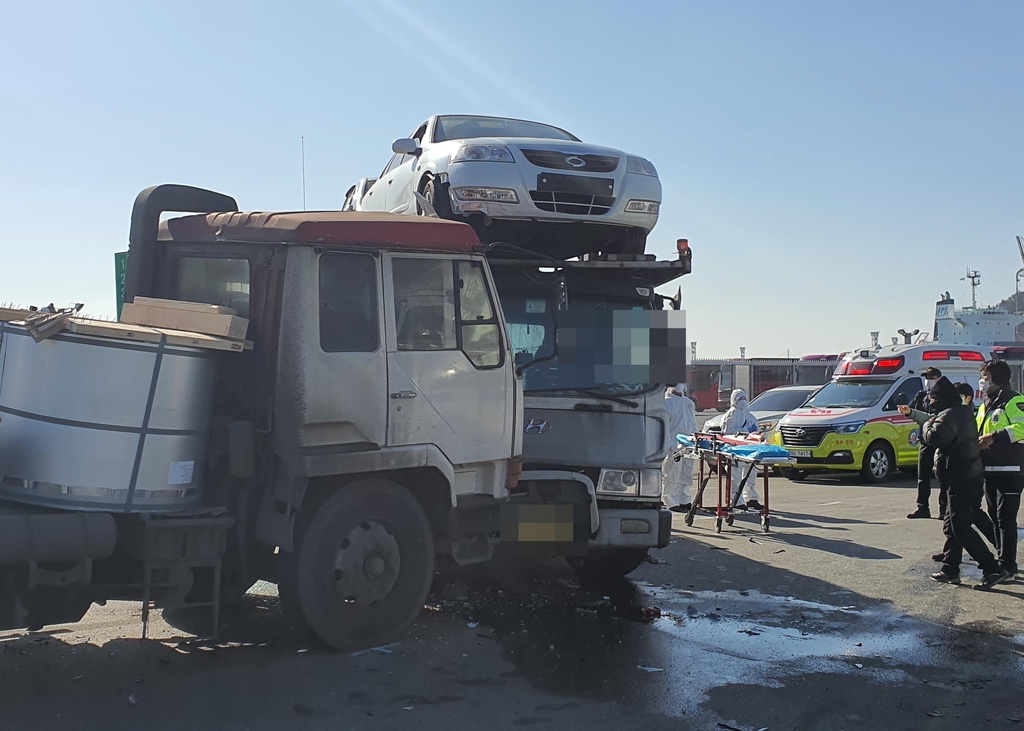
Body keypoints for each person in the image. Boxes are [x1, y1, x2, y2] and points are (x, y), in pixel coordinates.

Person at [917, 377, 1009, 589]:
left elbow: (935, 437)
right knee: (952, 525)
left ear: (940, 399)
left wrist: (926, 423)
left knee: (961, 528)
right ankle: (951, 568)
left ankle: (991, 568)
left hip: (961, 477)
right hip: (964, 475)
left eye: (933, 399)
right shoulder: (959, 412)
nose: (930, 403)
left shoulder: (949, 415)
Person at [976, 359, 1024, 577]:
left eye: (985, 377)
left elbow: (1022, 426)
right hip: (989, 469)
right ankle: (1002, 557)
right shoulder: (986, 403)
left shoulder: (1013, 400)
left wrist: (995, 437)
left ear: (995, 378)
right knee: (994, 516)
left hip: (1011, 470)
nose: (982, 381)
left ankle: (1008, 565)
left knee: (1006, 518)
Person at [907, 367, 944, 520]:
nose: (928, 380)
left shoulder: (945, 396)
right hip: (925, 439)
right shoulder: (922, 396)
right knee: (923, 476)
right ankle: (922, 508)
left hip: (941, 440)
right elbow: (915, 413)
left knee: (943, 477)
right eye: (926, 377)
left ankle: (944, 509)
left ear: (939, 378)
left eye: (932, 377)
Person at [721, 388, 764, 511]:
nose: (742, 401)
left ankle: (751, 498)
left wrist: (754, 434)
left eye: (744, 398)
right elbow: (726, 434)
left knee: (751, 475)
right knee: (735, 477)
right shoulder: (729, 416)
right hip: (735, 450)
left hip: (749, 450)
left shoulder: (749, 415)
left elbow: (755, 430)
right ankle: (736, 500)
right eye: (740, 399)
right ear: (734, 400)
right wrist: (742, 433)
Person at [662, 383, 697, 513]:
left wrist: (695, 439)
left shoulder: (688, 403)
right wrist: (669, 445)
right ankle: (671, 501)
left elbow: (693, 423)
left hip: (688, 444)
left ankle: (684, 499)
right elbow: (665, 426)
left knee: (686, 473)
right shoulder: (667, 402)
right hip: (674, 445)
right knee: (672, 473)